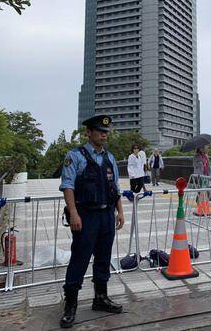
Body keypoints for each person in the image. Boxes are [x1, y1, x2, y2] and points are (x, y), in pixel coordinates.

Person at [59, 115, 124, 328]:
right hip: (86, 216)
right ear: (88, 132)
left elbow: (115, 187)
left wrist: (120, 212)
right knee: (80, 258)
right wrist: (74, 213)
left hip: (106, 215)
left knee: (104, 258)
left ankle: (101, 298)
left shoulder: (110, 158)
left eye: (106, 132)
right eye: (99, 131)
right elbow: (68, 186)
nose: (104, 134)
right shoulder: (75, 156)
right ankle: (71, 305)